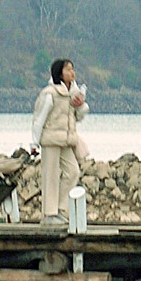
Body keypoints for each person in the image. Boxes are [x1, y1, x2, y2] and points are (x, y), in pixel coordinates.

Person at [30, 58, 89, 222]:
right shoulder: (50, 93)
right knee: (51, 176)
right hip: (50, 140)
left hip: (66, 140)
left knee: (73, 171)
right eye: (68, 69)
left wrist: (81, 106)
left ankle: (61, 209)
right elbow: (39, 119)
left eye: (72, 69)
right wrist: (34, 143)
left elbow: (77, 117)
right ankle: (49, 214)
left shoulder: (73, 93)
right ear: (59, 73)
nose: (72, 72)